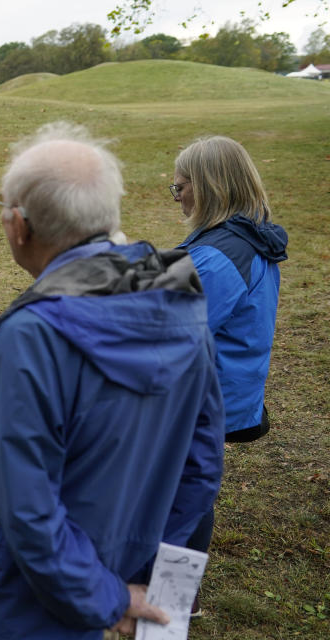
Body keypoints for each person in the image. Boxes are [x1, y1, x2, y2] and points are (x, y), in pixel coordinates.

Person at [0, 122, 225, 640]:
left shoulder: (26, 341)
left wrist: (107, 600)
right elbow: (200, 470)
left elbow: (27, 511)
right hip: (122, 589)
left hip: (18, 609)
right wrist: (144, 585)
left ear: (19, 225)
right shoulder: (180, 305)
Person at [171, 135, 288, 611]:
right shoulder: (241, 240)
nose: (177, 196)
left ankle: (170, 604)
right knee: (187, 490)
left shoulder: (220, 255)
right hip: (220, 390)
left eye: (180, 187)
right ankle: (178, 596)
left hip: (197, 396)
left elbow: (166, 327)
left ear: (209, 186)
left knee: (176, 498)